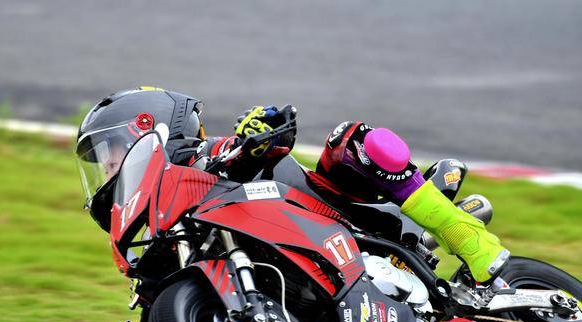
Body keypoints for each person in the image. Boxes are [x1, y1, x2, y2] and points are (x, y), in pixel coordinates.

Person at [75, 87, 509, 283]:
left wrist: (258, 133)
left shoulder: (205, 156)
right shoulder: (161, 226)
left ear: (147, 127)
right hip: (299, 265)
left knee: (352, 140)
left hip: (337, 213)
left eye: (110, 152)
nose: (107, 168)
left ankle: (466, 236)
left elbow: (274, 136)